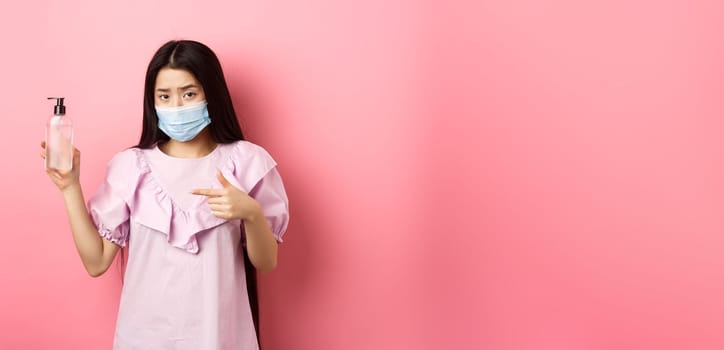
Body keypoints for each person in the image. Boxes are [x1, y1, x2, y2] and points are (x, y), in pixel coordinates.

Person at [41, 39, 289, 349]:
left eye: (189, 94)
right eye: (165, 96)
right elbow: (96, 263)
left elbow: (265, 262)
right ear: (152, 102)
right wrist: (69, 187)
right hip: (143, 338)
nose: (177, 106)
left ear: (211, 94)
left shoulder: (248, 163)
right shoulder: (131, 167)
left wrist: (251, 212)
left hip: (220, 338)